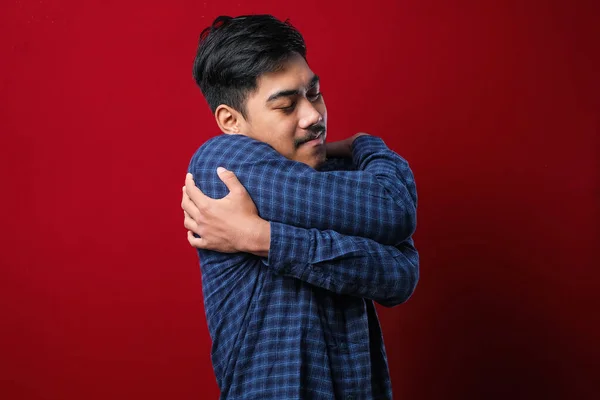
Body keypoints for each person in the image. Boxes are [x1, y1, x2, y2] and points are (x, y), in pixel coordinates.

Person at [181, 14, 419, 400]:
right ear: (231, 120)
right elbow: (394, 208)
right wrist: (366, 144)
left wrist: (263, 238)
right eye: (286, 105)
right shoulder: (222, 166)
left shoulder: (330, 170)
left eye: (314, 93)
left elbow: (401, 276)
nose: (313, 116)